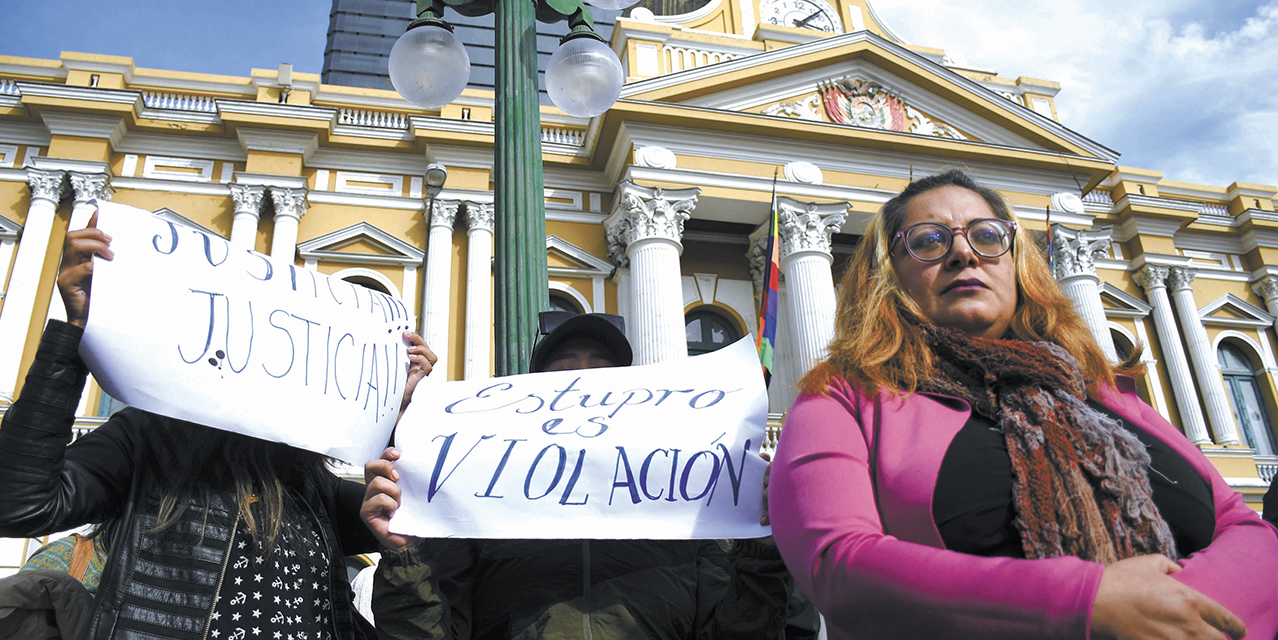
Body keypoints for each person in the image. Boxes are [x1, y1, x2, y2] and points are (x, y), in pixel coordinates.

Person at [768, 170, 1278, 640]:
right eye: (928, 241)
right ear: (888, 276)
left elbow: (1246, 530)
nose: (963, 254)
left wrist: (1181, 611)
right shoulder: (843, 397)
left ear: (1017, 263)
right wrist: (1087, 603)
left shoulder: (1100, 391)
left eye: (987, 236)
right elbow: (838, 565)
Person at [0, 219, 438, 640]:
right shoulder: (151, 440)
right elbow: (18, 505)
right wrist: (72, 334)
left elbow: (418, 511)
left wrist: (394, 409)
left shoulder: (310, 483)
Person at [363, 310, 819, 639]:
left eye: (603, 374)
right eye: (562, 373)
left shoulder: (695, 509)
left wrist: (762, 555)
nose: (583, 385)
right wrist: (406, 560)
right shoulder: (472, 510)